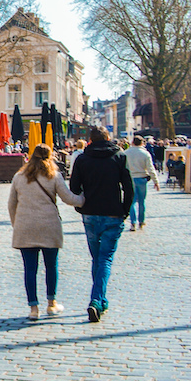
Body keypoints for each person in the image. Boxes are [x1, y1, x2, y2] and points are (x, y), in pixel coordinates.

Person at [7, 144, 84, 320]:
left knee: (30, 269)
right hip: (49, 225)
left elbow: (12, 203)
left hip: (25, 227)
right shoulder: (54, 176)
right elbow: (68, 198)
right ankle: (51, 304)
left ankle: (33, 308)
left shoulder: (19, 177)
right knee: (51, 266)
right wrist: (84, 199)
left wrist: (16, 223)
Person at [69, 127, 133, 322]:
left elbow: (73, 187)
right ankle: (97, 300)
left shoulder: (82, 158)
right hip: (112, 212)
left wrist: (81, 205)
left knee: (97, 258)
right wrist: (125, 210)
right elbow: (128, 187)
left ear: (90, 139)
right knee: (104, 259)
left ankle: (101, 299)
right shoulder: (119, 156)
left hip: (90, 213)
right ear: (107, 138)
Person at [124, 137, 159, 231]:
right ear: (142, 143)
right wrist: (156, 181)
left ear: (132, 142)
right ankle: (141, 221)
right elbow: (151, 168)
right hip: (142, 178)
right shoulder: (145, 153)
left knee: (132, 202)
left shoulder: (126, 153)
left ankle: (133, 223)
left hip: (130, 179)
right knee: (142, 201)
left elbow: (122, 168)